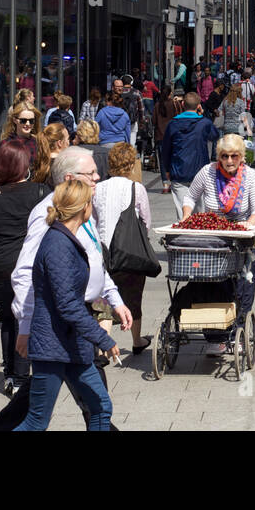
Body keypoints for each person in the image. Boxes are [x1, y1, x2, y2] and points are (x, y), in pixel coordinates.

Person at [14, 180, 120, 431]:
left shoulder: (66, 238)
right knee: (36, 421)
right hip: (53, 346)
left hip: (70, 345)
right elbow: (68, 305)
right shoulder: (58, 244)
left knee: (101, 407)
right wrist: (104, 339)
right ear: (84, 207)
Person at [176, 134, 255, 356]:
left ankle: (239, 330)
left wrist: (248, 224)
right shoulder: (207, 172)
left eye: (234, 156)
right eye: (224, 156)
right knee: (211, 284)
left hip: (243, 240)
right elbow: (190, 197)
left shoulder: (251, 177)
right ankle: (215, 335)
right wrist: (187, 217)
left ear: (241, 157)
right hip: (213, 240)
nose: (228, 161)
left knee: (243, 288)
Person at [0, 140, 50, 396]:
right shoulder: (41, 192)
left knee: (8, 319)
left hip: (0, 265)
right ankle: (20, 377)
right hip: (29, 264)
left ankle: (9, 373)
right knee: (25, 318)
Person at [93, 142, 155, 355]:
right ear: (131, 165)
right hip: (129, 253)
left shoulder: (98, 188)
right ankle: (137, 340)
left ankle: (103, 348)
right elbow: (146, 221)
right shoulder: (136, 188)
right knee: (133, 296)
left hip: (103, 252)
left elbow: (92, 220)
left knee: (104, 303)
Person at [159, 92, 221, 220]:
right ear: (198, 106)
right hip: (200, 172)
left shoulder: (172, 124)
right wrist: (202, 115)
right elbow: (215, 136)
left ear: (182, 104)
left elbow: (165, 150)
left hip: (178, 170)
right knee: (201, 214)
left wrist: (166, 170)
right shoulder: (204, 123)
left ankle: (183, 236)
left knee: (183, 214)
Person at [0, 104, 40, 173]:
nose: (28, 124)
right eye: (23, 120)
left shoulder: (39, 142)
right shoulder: (6, 144)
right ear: (15, 120)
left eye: (31, 121)